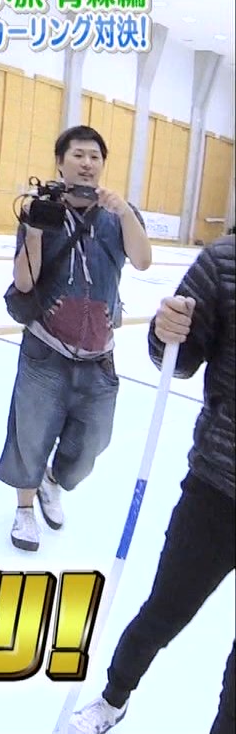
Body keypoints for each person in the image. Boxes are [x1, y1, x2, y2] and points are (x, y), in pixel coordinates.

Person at [67, 235, 234, 734]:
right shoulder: (223, 263)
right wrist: (167, 332)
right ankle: (113, 699)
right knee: (164, 610)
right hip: (217, 488)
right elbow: (175, 361)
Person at [0, 125, 153, 551]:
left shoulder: (118, 215)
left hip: (99, 354)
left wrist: (125, 213)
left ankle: (55, 480)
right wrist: (33, 231)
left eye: (94, 157)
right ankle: (24, 509)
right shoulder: (43, 212)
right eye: (78, 155)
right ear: (60, 162)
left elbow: (142, 260)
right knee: (30, 433)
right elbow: (24, 282)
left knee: (93, 442)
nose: (87, 164)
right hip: (45, 347)